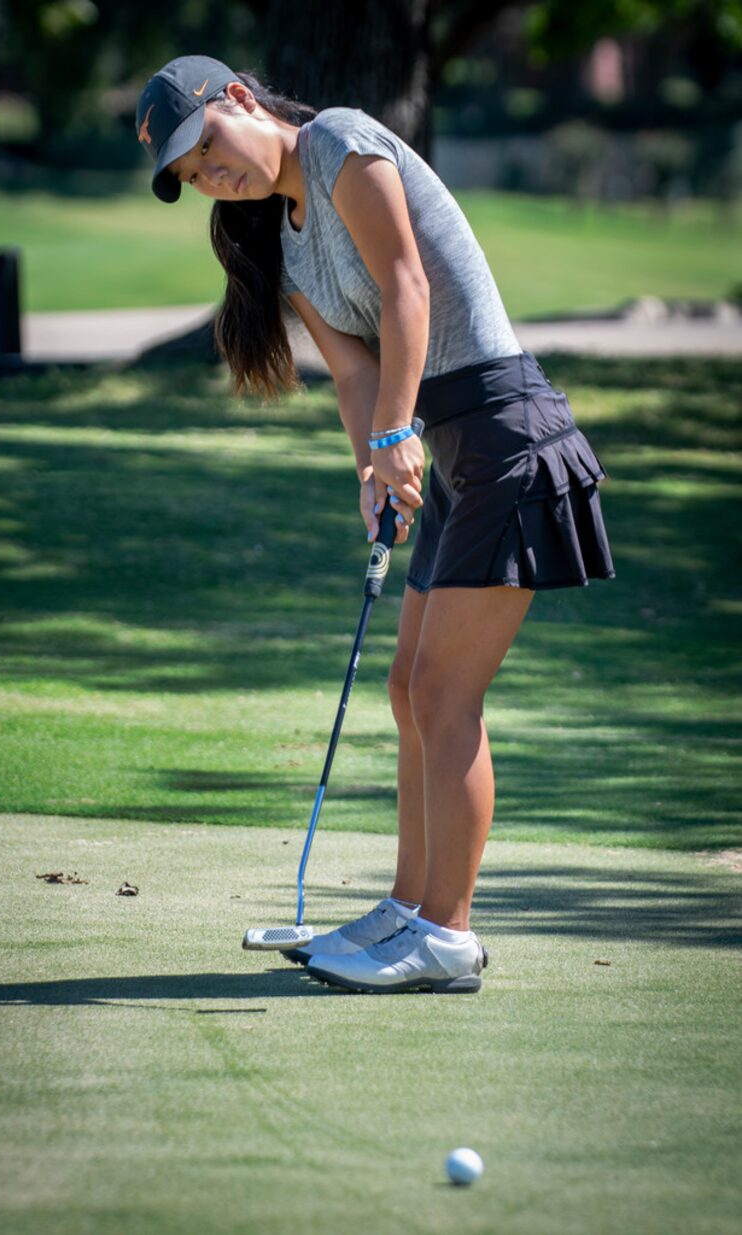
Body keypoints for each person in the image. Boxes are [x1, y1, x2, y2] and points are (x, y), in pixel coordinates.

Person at [135, 56, 615, 995]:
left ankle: (447, 931)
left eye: (207, 147)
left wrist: (400, 433)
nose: (211, 174)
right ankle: (407, 908)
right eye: (193, 175)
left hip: (506, 432)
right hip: (450, 451)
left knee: (444, 696)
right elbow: (354, 373)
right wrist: (375, 468)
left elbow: (407, 289)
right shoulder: (283, 237)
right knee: (407, 687)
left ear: (236, 97)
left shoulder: (342, 141)